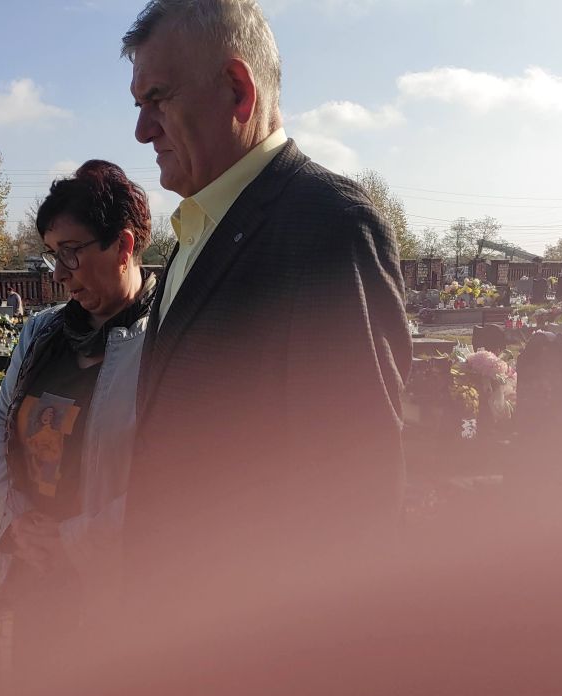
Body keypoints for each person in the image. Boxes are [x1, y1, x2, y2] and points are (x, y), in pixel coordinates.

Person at [120, 0, 411, 604]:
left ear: (237, 89)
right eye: (139, 105)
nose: (142, 131)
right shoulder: (196, 228)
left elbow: (358, 506)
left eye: (157, 99)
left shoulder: (329, 229)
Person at [0, 160, 155, 671]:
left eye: (71, 252)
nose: (57, 273)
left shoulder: (163, 342)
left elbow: (175, 472)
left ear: (123, 246)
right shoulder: (43, 333)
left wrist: (71, 542)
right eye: (52, 254)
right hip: (35, 577)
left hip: (116, 592)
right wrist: (17, 519)